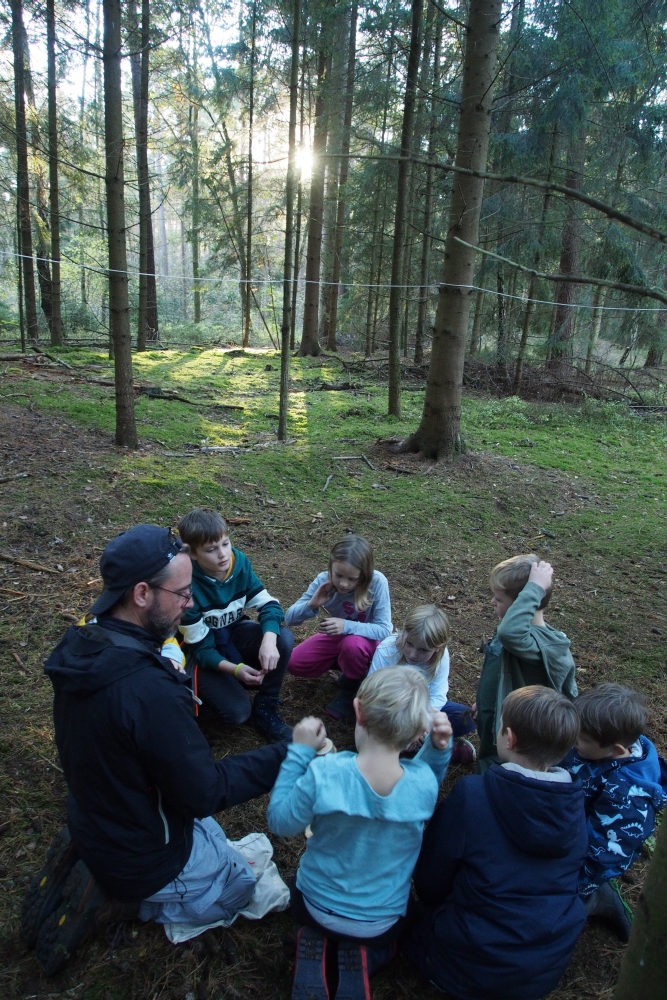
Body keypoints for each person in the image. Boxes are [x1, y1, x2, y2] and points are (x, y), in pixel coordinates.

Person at [28, 525, 288, 975]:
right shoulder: (146, 688)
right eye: (183, 593)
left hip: (100, 813)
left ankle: (107, 870)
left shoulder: (83, 645)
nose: (190, 603)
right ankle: (129, 903)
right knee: (242, 884)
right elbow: (204, 794)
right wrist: (291, 755)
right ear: (143, 593)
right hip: (144, 854)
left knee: (221, 846)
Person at [267, 667, 452, 1000]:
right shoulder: (422, 784)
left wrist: (299, 752)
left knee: (308, 904)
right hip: (380, 921)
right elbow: (426, 777)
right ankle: (369, 955)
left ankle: (313, 937)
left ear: (358, 710)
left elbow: (281, 822)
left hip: (314, 904)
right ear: (417, 735)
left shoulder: (327, 772)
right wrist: (438, 750)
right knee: (393, 928)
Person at [405, 686, 587, 1000]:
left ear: (509, 738)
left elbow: (430, 881)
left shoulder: (473, 795)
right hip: (540, 975)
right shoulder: (574, 807)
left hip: (462, 967)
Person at [561, 682, 667, 941]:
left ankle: (598, 900)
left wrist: (572, 879)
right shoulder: (599, 745)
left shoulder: (628, 797)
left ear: (616, 750)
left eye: (581, 738)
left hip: (584, 863)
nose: (574, 740)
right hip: (568, 833)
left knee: (556, 906)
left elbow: (607, 852)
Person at [178, 507, 293, 742]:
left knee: (283, 638)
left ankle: (266, 705)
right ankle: (192, 706)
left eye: (225, 544)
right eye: (211, 549)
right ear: (192, 554)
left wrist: (269, 641)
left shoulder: (238, 563)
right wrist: (236, 670)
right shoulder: (185, 583)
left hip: (231, 633)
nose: (222, 554)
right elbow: (201, 650)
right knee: (237, 713)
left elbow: (270, 605)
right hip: (200, 653)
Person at [474, 554, 577, 771]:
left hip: (517, 731)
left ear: (523, 604)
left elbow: (509, 632)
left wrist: (535, 587)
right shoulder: (519, 636)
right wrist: (484, 702)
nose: (493, 602)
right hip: (496, 714)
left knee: (500, 767)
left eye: (499, 599)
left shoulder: (536, 643)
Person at [285, 535, 392, 719]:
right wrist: (312, 604)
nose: (343, 583)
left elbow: (384, 630)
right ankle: (346, 665)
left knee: (352, 645)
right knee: (294, 662)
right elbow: (289, 618)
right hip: (340, 637)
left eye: (352, 579)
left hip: (368, 644)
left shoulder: (377, 582)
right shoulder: (323, 580)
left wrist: (346, 625)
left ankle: (352, 687)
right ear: (331, 567)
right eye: (339, 575)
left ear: (364, 575)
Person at [368, 604, 476, 763]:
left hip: (422, 711)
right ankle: (435, 749)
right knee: (372, 738)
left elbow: (438, 697)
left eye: (424, 650)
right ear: (404, 632)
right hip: (391, 711)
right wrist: (405, 727)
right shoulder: (387, 650)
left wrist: (420, 725)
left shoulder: (440, 658)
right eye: (409, 644)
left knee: (467, 718)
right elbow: (372, 694)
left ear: (437, 649)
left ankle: (417, 746)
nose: (413, 654)